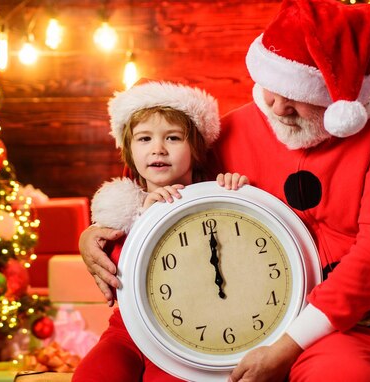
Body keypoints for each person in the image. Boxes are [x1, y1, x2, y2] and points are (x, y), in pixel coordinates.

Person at [78, 0, 370, 380]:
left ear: (344, 102)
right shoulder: (235, 128)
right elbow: (170, 195)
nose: (277, 108)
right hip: (336, 338)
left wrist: (285, 347)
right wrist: (94, 234)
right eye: (270, 89)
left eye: (297, 96)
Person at [72, 79, 248, 381]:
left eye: (173, 138)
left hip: (188, 332)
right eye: (144, 139)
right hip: (127, 331)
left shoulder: (214, 198)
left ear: (195, 147)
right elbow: (116, 276)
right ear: (128, 148)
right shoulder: (121, 212)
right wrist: (143, 219)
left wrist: (236, 194)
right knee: (94, 374)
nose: (158, 149)